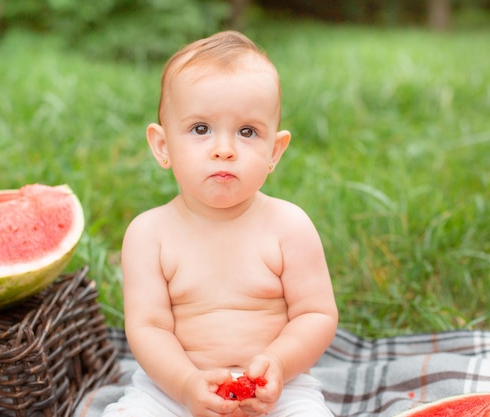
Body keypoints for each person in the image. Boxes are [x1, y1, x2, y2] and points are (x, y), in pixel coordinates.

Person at [104, 30, 338, 417]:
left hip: (278, 390)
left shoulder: (289, 226)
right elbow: (148, 329)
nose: (224, 149)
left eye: (248, 132)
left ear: (274, 151)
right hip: (172, 388)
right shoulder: (149, 235)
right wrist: (184, 384)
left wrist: (278, 363)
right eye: (201, 129)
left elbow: (316, 315)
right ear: (162, 146)